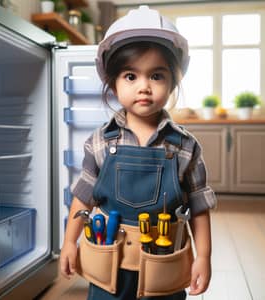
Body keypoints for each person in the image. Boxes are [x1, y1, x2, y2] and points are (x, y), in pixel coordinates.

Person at [60, 5, 216, 300]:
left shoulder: (186, 147)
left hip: (164, 266)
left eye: (156, 75)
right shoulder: (99, 143)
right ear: (113, 83)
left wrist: (203, 257)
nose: (144, 86)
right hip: (110, 267)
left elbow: (199, 207)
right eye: (131, 76)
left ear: (173, 82)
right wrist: (70, 241)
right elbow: (83, 198)